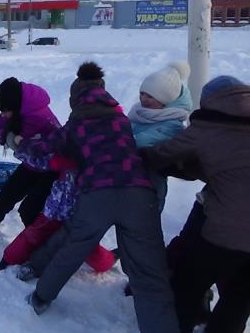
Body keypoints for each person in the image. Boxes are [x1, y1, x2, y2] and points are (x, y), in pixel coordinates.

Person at [14, 62, 177, 333]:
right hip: (138, 194)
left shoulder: (77, 124)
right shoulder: (121, 119)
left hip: (97, 194)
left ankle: (41, 298)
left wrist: (20, 142)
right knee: (149, 271)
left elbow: (47, 146)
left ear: (75, 98)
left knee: (73, 247)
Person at [140, 75, 250, 333]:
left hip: (226, 233)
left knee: (188, 283)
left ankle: (183, 323)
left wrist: (136, 155)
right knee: (239, 299)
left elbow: (160, 155)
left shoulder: (206, 127)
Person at [0, 77, 59, 247]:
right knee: (1, 201)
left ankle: (47, 246)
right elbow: (1, 130)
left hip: (51, 169)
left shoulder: (37, 117)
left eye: (5, 111)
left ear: (16, 106)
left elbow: (11, 141)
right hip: (32, 164)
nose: (3, 115)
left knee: (29, 210)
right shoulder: (16, 105)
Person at [128, 61, 193, 211]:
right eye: (142, 94)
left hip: (151, 180)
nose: (144, 99)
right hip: (130, 176)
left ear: (165, 100)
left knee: (147, 217)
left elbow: (141, 141)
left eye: (150, 96)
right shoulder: (138, 113)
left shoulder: (172, 124)